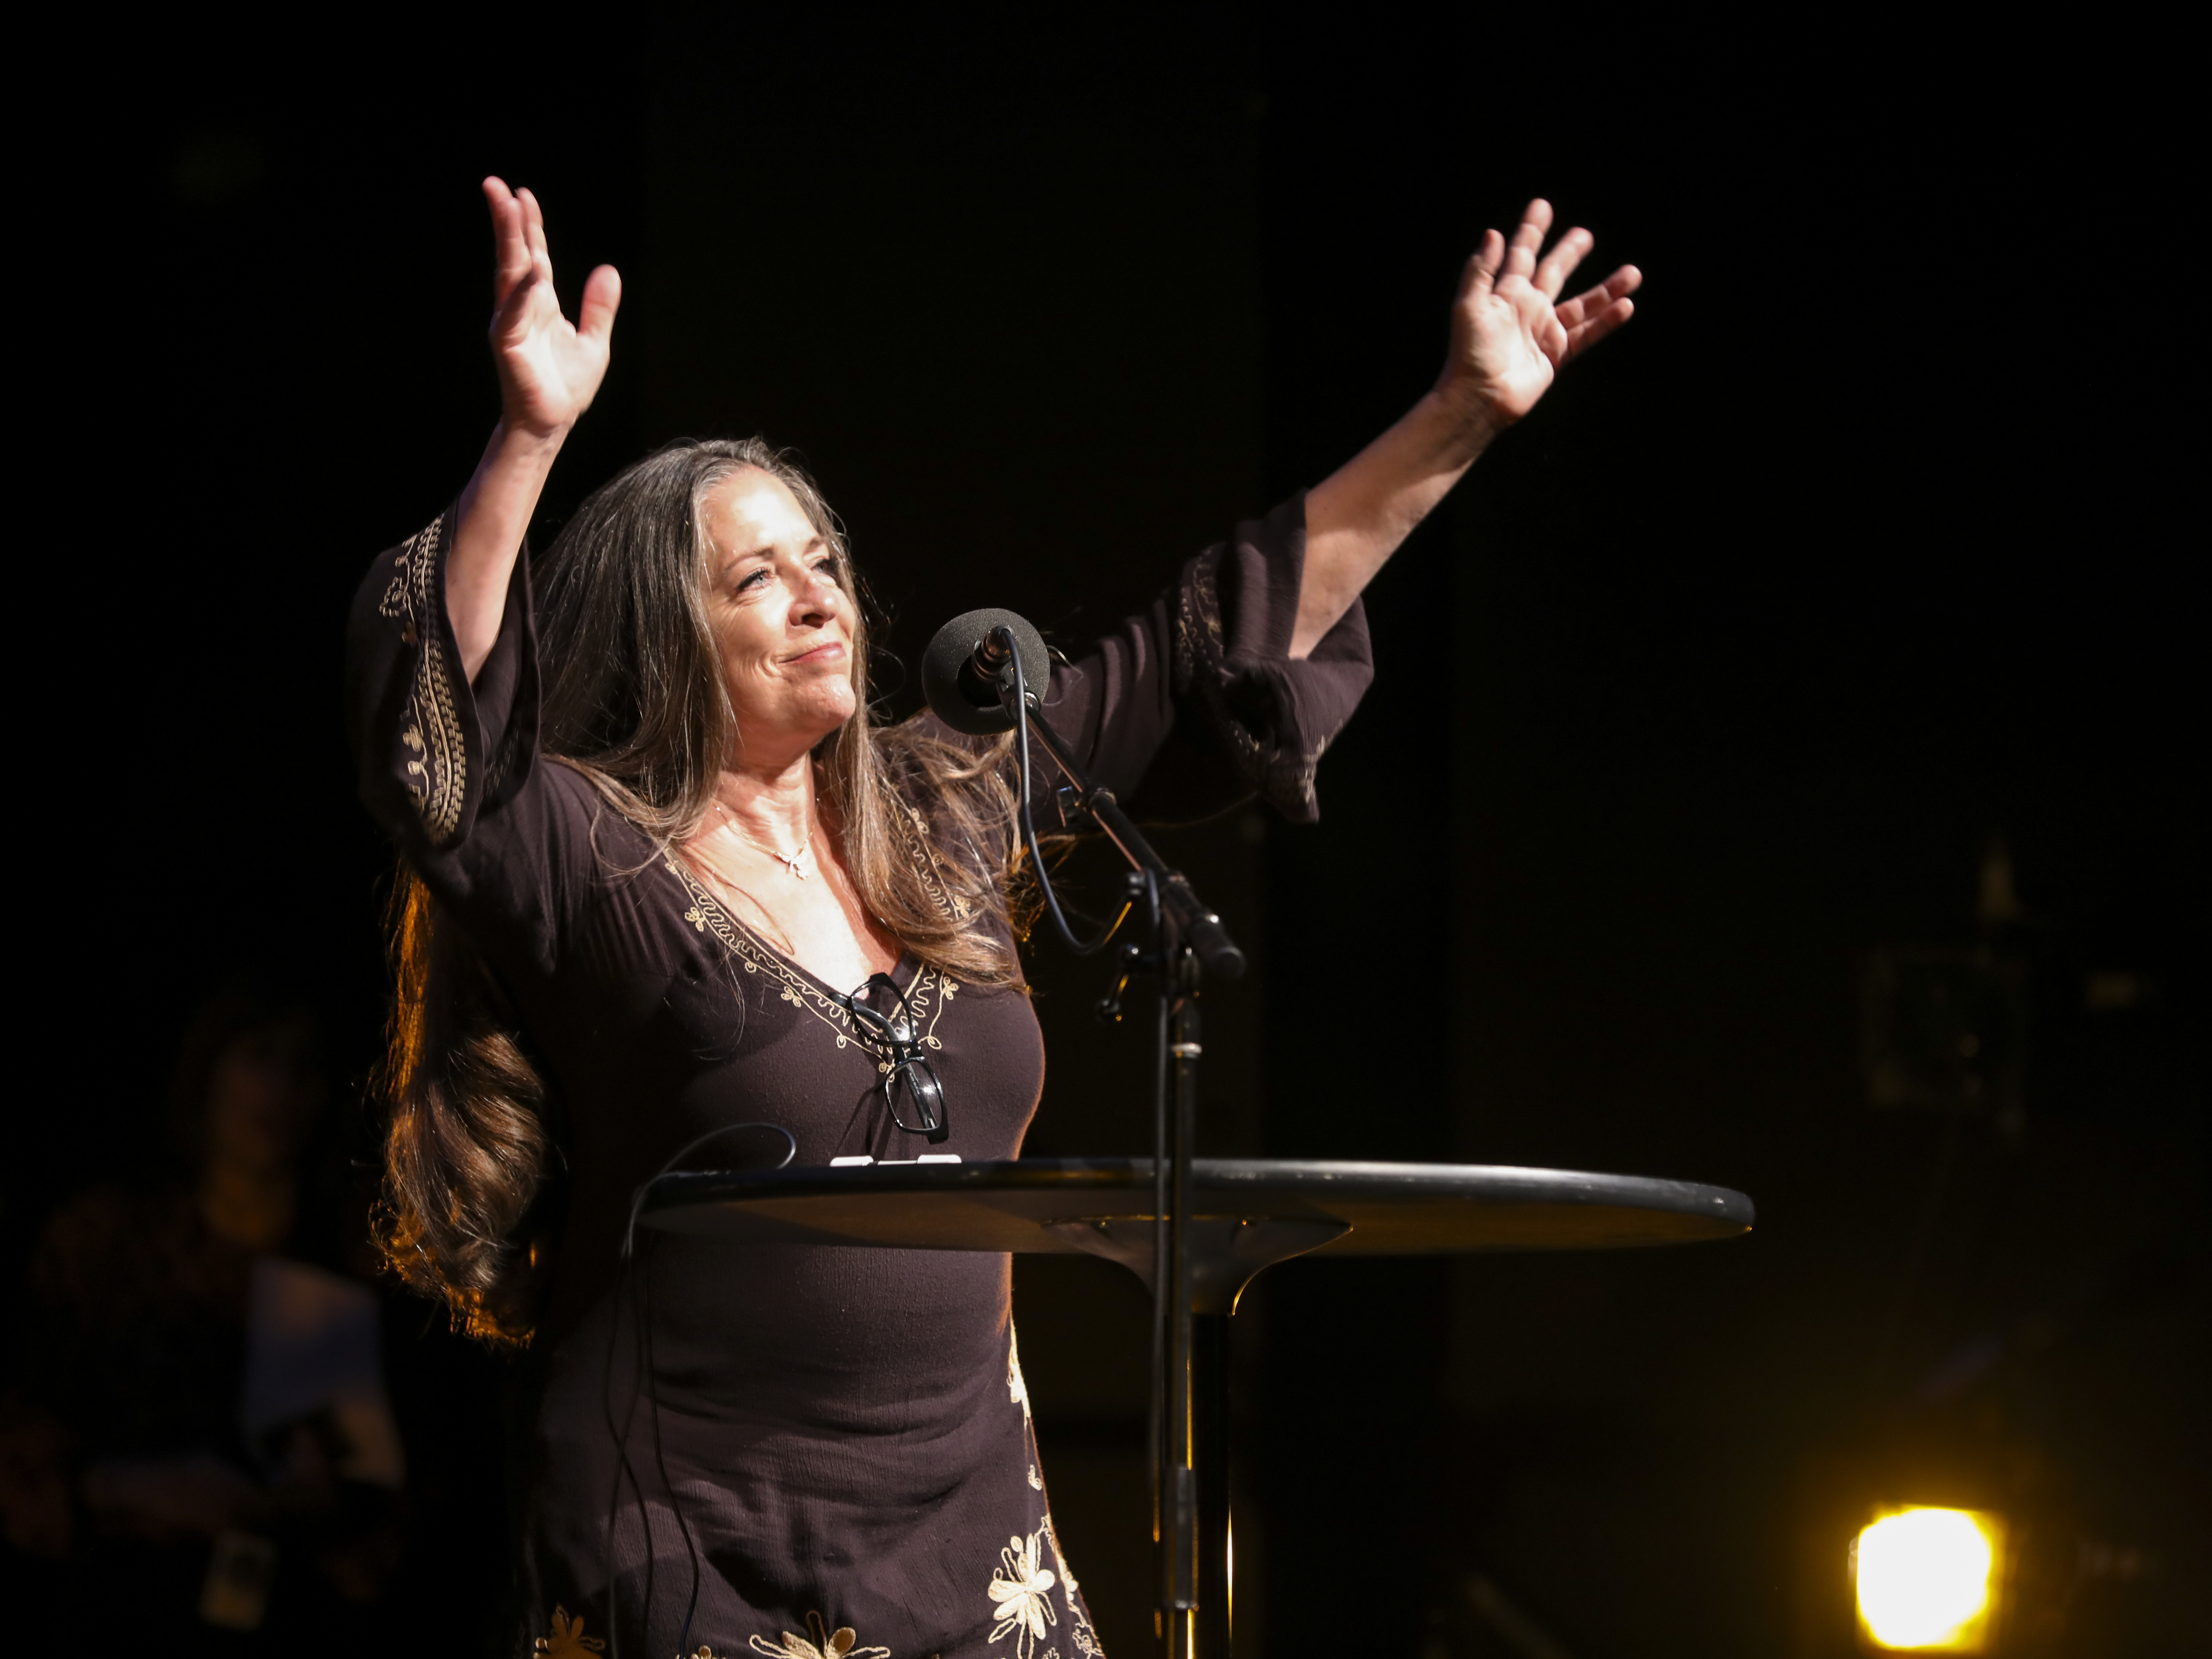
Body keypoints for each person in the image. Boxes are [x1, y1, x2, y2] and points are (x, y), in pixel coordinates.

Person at [348, 176, 1637, 1657]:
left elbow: (1207, 640)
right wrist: (527, 439)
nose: (818, 598)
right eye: (754, 580)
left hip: (974, 1553)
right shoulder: (592, 854)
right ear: (662, 636)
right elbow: (431, 743)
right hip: (693, 1546)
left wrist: (1462, 411)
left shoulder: (938, 811)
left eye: (822, 563)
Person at [0, 979, 411, 1648]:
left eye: (304, 1067)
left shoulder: (337, 1272)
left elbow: (386, 1516)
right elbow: (22, 1441)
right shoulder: (105, 1244)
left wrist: (315, 1503)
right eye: (261, 1057)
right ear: (208, 1070)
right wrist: (126, 1487)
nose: (282, 1088)